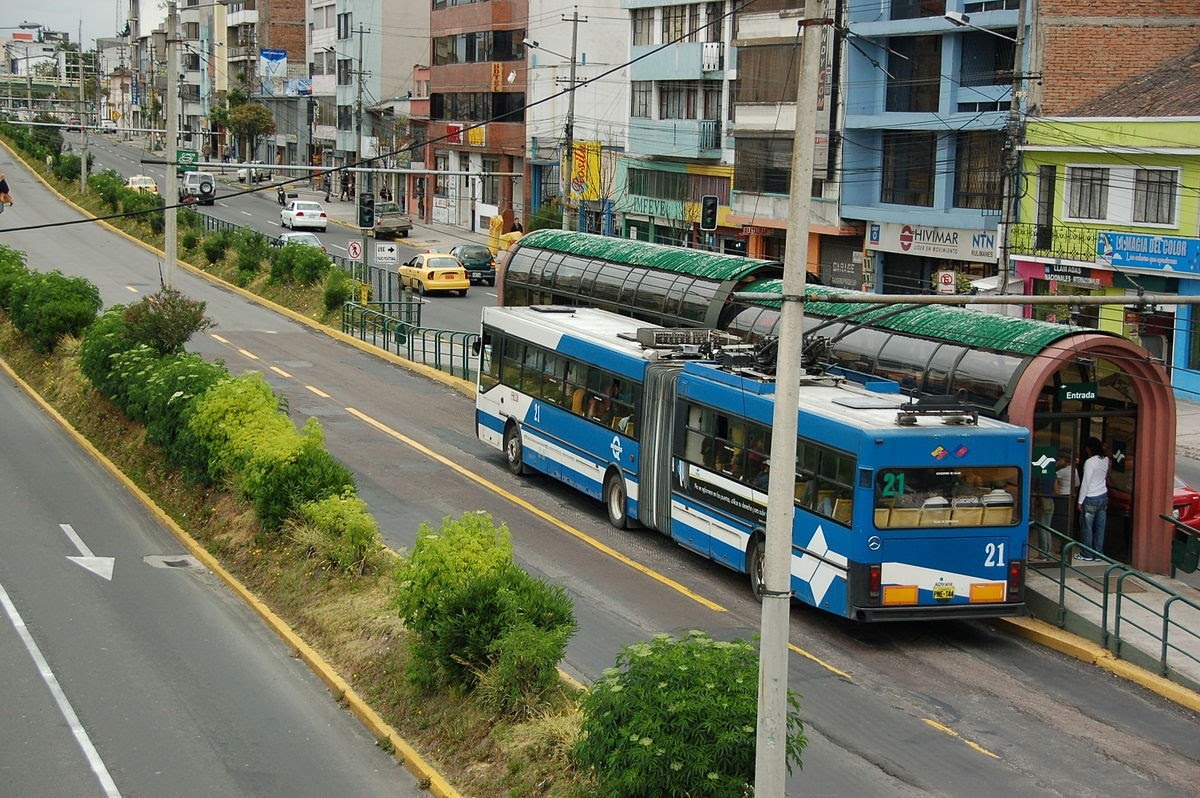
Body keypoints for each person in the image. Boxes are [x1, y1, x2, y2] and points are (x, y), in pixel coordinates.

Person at [1076, 437, 1109, 561]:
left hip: (1090, 497)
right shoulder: (1105, 460)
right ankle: (1098, 553)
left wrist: (1080, 501)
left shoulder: (1090, 462)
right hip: (1103, 495)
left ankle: (1087, 554)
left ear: (1089, 449)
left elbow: (1086, 483)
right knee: (1100, 527)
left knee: (1087, 527)